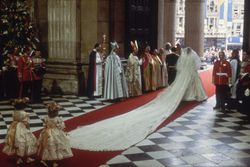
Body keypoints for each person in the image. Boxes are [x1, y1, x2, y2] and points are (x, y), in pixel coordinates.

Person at [69, 47, 208, 151]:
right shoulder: (188, 57)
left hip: (185, 74)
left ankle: (190, 95)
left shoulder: (182, 58)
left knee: (182, 87)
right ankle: (191, 95)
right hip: (188, 74)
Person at [2, 97, 37, 165]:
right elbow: (26, 123)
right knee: (26, 143)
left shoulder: (14, 112)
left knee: (17, 142)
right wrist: (28, 129)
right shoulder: (24, 113)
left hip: (15, 127)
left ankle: (19, 159)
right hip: (22, 128)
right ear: (24, 106)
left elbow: (14, 119)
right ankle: (28, 158)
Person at [37, 102, 73, 167]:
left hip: (47, 133)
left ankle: (44, 159)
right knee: (55, 146)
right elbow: (61, 127)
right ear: (56, 112)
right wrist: (64, 132)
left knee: (46, 146)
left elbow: (45, 126)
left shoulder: (46, 118)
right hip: (56, 133)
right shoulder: (58, 119)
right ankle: (54, 162)